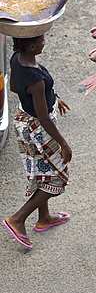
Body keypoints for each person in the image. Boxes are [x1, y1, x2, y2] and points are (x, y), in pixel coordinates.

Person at [2, 34, 72, 249]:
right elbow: (43, 117)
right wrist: (63, 143)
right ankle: (17, 219)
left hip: (24, 120)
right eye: (41, 41)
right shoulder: (36, 79)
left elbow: (15, 87)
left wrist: (51, 97)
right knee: (57, 178)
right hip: (39, 128)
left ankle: (44, 218)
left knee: (42, 171)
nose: (44, 42)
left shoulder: (17, 58)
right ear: (32, 46)